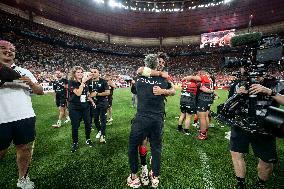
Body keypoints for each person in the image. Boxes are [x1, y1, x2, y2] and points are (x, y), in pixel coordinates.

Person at [0, 40, 43, 189]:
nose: (8, 51)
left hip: (24, 116)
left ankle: (23, 179)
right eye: (3, 48)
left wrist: (31, 83)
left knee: (24, 148)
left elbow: (40, 91)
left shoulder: (24, 71)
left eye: (12, 49)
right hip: (1, 118)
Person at [127, 54, 175, 188]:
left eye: (163, 63)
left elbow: (173, 91)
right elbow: (141, 70)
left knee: (137, 145)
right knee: (153, 146)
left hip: (145, 117)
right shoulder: (161, 77)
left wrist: (162, 91)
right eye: (159, 62)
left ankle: (139, 174)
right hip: (155, 118)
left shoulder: (144, 78)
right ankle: (148, 171)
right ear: (155, 64)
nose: (161, 64)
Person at [230, 76, 284, 189]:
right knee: (236, 154)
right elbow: (230, 104)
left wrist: (269, 91)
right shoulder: (240, 83)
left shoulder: (276, 84)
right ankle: (240, 183)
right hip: (240, 123)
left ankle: (260, 184)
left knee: (266, 163)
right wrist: (237, 95)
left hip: (265, 127)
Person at [183, 70, 215, 140]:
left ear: (201, 73)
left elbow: (195, 78)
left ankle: (202, 135)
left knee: (202, 117)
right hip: (208, 98)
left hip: (203, 99)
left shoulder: (204, 76)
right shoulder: (209, 79)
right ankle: (205, 131)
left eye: (198, 74)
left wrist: (189, 77)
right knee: (206, 115)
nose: (197, 75)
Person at [68, 66, 93, 153]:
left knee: (88, 123)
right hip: (74, 107)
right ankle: (75, 142)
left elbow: (86, 93)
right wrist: (82, 83)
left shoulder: (85, 82)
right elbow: (78, 93)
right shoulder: (71, 82)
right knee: (75, 126)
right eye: (78, 72)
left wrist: (92, 101)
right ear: (74, 74)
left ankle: (88, 139)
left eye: (81, 72)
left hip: (85, 107)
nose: (80, 74)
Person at [88, 68, 110, 143]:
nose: (93, 73)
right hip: (93, 103)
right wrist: (89, 95)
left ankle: (103, 135)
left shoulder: (103, 81)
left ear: (98, 73)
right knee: (96, 119)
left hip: (102, 103)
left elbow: (108, 92)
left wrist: (97, 94)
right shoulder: (88, 82)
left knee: (103, 119)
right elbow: (87, 92)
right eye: (91, 72)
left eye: (95, 72)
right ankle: (100, 131)